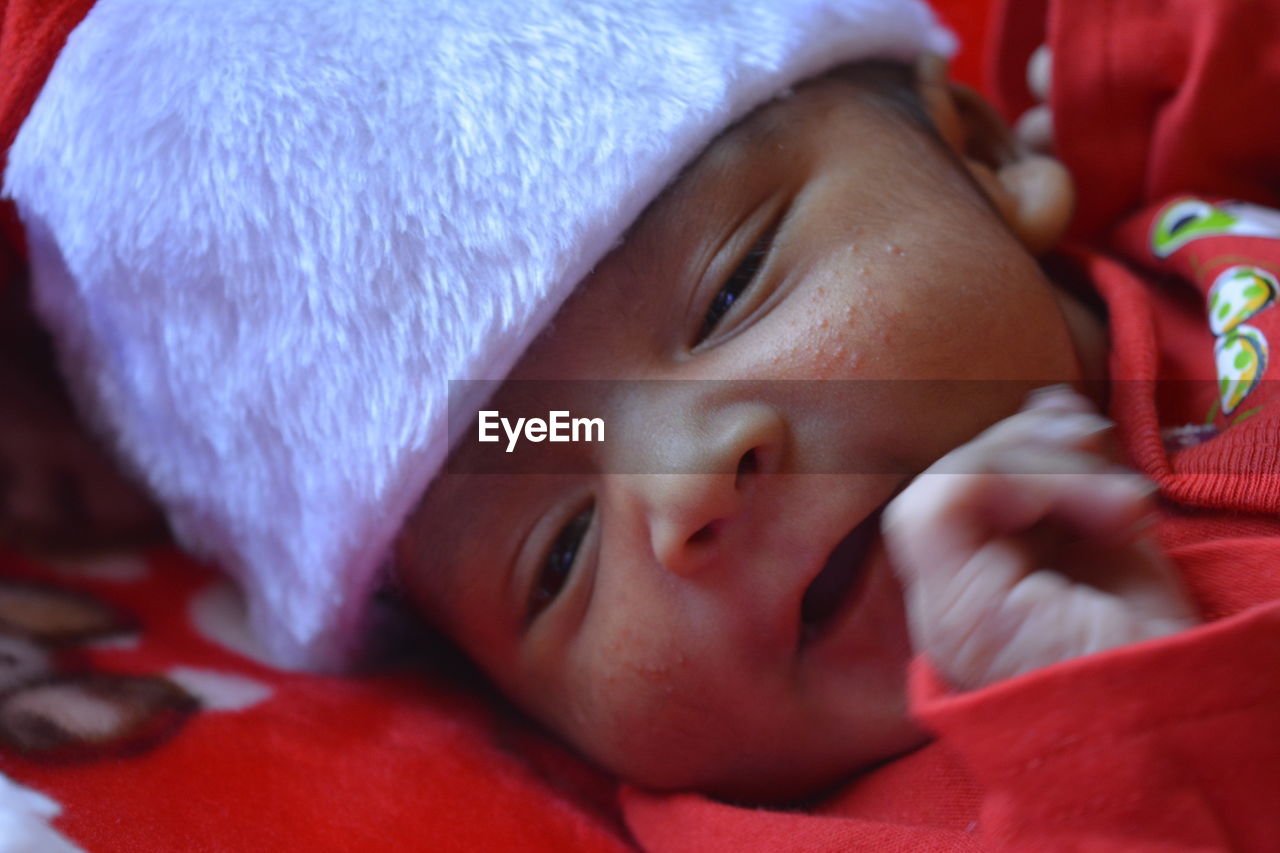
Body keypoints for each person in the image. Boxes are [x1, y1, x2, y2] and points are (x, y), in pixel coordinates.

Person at [3, 0, 1279, 847]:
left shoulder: (1180, 160)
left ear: (986, 151)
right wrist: (1101, 734)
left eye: (732, 289)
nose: (686, 488)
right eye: (556, 555)